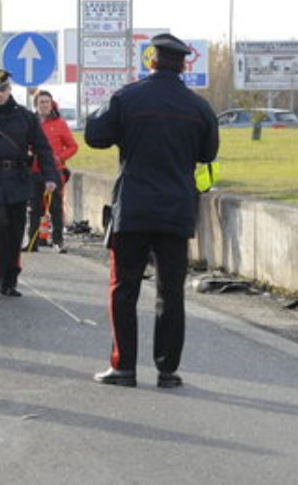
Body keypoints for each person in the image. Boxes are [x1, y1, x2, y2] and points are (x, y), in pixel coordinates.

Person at [84, 33, 219, 388]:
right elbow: (208, 153)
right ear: (184, 64)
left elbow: (94, 135)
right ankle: (167, 370)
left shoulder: (128, 98)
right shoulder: (199, 107)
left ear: (151, 60)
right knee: (170, 293)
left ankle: (123, 366)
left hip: (133, 211)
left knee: (123, 289)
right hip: (176, 211)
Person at [0, 69, 58, 296]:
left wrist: (50, 176)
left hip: (18, 178)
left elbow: (43, 148)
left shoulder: (25, 117)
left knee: (16, 229)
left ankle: (11, 279)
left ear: (9, 90)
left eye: (3, 90)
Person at [25, 89, 78, 254]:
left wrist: (59, 158)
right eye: (41, 102)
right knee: (35, 208)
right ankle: (32, 242)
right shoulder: (30, 122)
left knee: (55, 207)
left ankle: (57, 241)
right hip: (34, 170)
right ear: (36, 104)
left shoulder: (60, 124)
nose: (44, 105)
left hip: (54, 171)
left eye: (47, 102)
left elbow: (73, 146)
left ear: (51, 103)